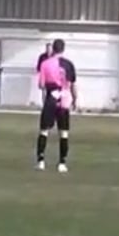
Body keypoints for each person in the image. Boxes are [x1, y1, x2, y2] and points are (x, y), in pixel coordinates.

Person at [36, 38, 78, 173]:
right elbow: (73, 84)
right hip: (64, 100)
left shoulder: (45, 64)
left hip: (50, 99)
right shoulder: (69, 65)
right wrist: (75, 99)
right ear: (63, 49)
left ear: (53, 49)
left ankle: (41, 161)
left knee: (44, 131)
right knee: (64, 133)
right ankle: (62, 163)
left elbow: (41, 85)